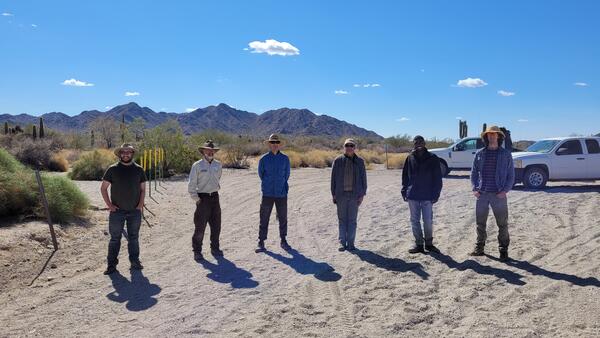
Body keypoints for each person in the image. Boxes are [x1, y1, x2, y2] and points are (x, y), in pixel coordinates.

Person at [470, 125, 515, 261]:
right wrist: (474, 188)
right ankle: (480, 247)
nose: (491, 136)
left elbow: (511, 175)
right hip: (482, 194)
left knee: (502, 223)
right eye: (489, 134)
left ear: (499, 136)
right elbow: (473, 173)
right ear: (486, 137)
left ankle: (503, 250)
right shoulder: (480, 153)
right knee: (480, 223)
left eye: (494, 134)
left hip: (498, 194)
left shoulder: (505, 154)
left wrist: (505, 190)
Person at [100, 143, 147, 275]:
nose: (126, 154)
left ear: (132, 154)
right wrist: (109, 205)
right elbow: (103, 188)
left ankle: (135, 261)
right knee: (115, 239)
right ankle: (111, 265)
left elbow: (143, 189)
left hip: (134, 211)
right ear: (120, 154)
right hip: (117, 212)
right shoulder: (112, 169)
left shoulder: (139, 170)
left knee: (134, 237)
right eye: (123, 152)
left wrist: (140, 205)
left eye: (129, 152)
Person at [401, 136, 443, 254]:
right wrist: (404, 191)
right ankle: (419, 244)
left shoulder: (433, 158)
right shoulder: (410, 158)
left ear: (425, 144)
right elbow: (405, 176)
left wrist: (436, 193)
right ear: (413, 144)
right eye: (416, 143)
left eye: (421, 142)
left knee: (428, 221)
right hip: (413, 195)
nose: (418, 144)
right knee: (414, 220)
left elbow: (437, 178)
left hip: (427, 195)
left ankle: (429, 244)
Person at [188, 140, 223, 261]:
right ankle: (197, 251)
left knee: (216, 225)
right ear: (203, 151)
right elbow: (191, 185)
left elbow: (218, 178)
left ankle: (215, 248)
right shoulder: (197, 166)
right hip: (202, 198)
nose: (210, 152)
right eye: (207, 150)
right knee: (200, 227)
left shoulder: (218, 165)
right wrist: (197, 199)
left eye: (212, 150)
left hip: (215, 197)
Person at [255, 134, 291, 253]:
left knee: (283, 217)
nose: (274, 145)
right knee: (264, 218)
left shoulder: (285, 159)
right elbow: (261, 174)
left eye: (276, 143)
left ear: (279, 144)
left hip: (281, 193)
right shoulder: (264, 159)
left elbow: (287, 175)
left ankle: (283, 240)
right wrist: (268, 184)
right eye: (272, 143)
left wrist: (280, 184)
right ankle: (261, 241)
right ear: (269, 144)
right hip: (268, 193)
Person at [331, 138, 367, 252]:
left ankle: (351, 243)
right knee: (342, 220)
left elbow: (363, 179)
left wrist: (362, 194)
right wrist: (333, 194)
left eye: (351, 145)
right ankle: (342, 243)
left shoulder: (360, 161)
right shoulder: (338, 160)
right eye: (347, 145)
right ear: (344, 147)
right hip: (341, 195)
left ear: (354, 147)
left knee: (352, 220)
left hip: (354, 195)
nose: (349, 147)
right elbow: (333, 179)